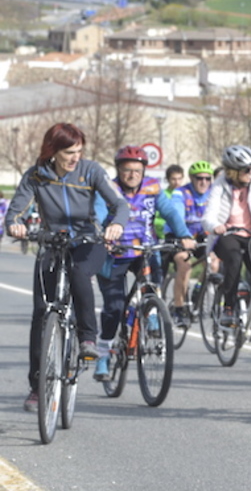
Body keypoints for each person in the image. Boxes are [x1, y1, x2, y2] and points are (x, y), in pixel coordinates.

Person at [4, 123, 129, 412]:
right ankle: (37, 388)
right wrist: (15, 224)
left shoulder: (91, 171)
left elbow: (119, 205)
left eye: (79, 152)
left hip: (88, 242)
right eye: (69, 152)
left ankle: (87, 338)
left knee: (78, 272)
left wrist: (117, 225)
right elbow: (16, 210)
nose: (75, 158)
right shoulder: (36, 175)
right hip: (51, 243)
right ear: (53, 151)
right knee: (41, 314)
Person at [94, 146, 194, 380]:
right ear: (118, 170)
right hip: (114, 255)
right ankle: (103, 355)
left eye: (137, 170)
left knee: (152, 290)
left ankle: (148, 314)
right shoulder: (108, 188)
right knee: (114, 307)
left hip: (145, 252)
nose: (132, 175)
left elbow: (170, 213)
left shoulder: (153, 188)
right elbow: (97, 214)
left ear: (144, 170)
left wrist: (184, 235)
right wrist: (101, 236)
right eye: (127, 170)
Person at [202, 145, 251, 327]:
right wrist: (215, 226)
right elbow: (208, 215)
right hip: (228, 234)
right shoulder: (221, 184)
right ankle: (229, 308)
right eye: (246, 169)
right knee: (234, 260)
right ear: (233, 172)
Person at [164, 160, 214, 325]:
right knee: (184, 264)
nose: (203, 182)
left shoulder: (213, 193)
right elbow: (176, 215)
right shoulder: (180, 193)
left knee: (213, 264)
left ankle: (197, 292)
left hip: (200, 235)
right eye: (199, 178)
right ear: (191, 179)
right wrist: (183, 235)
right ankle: (179, 309)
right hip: (178, 233)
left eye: (208, 178)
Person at [154, 164, 185, 240]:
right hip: (164, 236)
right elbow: (157, 217)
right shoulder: (162, 195)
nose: (177, 182)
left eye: (179, 179)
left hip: (183, 235)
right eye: (173, 179)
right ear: (167, 179)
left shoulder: (186, 194)